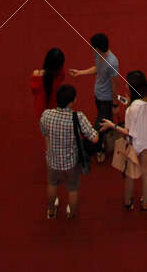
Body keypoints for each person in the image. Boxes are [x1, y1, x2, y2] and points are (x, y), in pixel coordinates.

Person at [40, 83, 99, 220]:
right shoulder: (78, 117)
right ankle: (71, 213)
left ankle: (51, 210)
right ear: (72, 102)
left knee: (52, 183)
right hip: (71, 161)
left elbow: (44, 133)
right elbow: (94, 138)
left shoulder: (46, 115)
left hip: (52, 158)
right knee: (72, 188)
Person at [102, 70, 147, 212]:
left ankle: (128, 201)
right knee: (145, 171)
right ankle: (145, 203)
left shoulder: (132, 109)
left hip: (133, 144)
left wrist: (111, 125)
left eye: (127, 83)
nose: (125, 84)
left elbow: (128, 131)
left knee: (130, 174)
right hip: (146, 140)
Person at [70, 33, 120, 163]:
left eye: (92, 46)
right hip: (98, 94)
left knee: (99, 128)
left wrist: (115, 105)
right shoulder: (98, 54)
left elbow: (115, 85)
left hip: (106, 99)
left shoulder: (112, 62)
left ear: (97, 48)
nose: (91, 48)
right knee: (104, 123)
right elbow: (97, 68)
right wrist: (80, 72)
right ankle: (102, 144)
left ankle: (98, 149)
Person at [31, 47, 65, 116]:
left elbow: (33, 91)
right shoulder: (61, 74)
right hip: (56, 110)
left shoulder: (36, 74)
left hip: (41, 110)